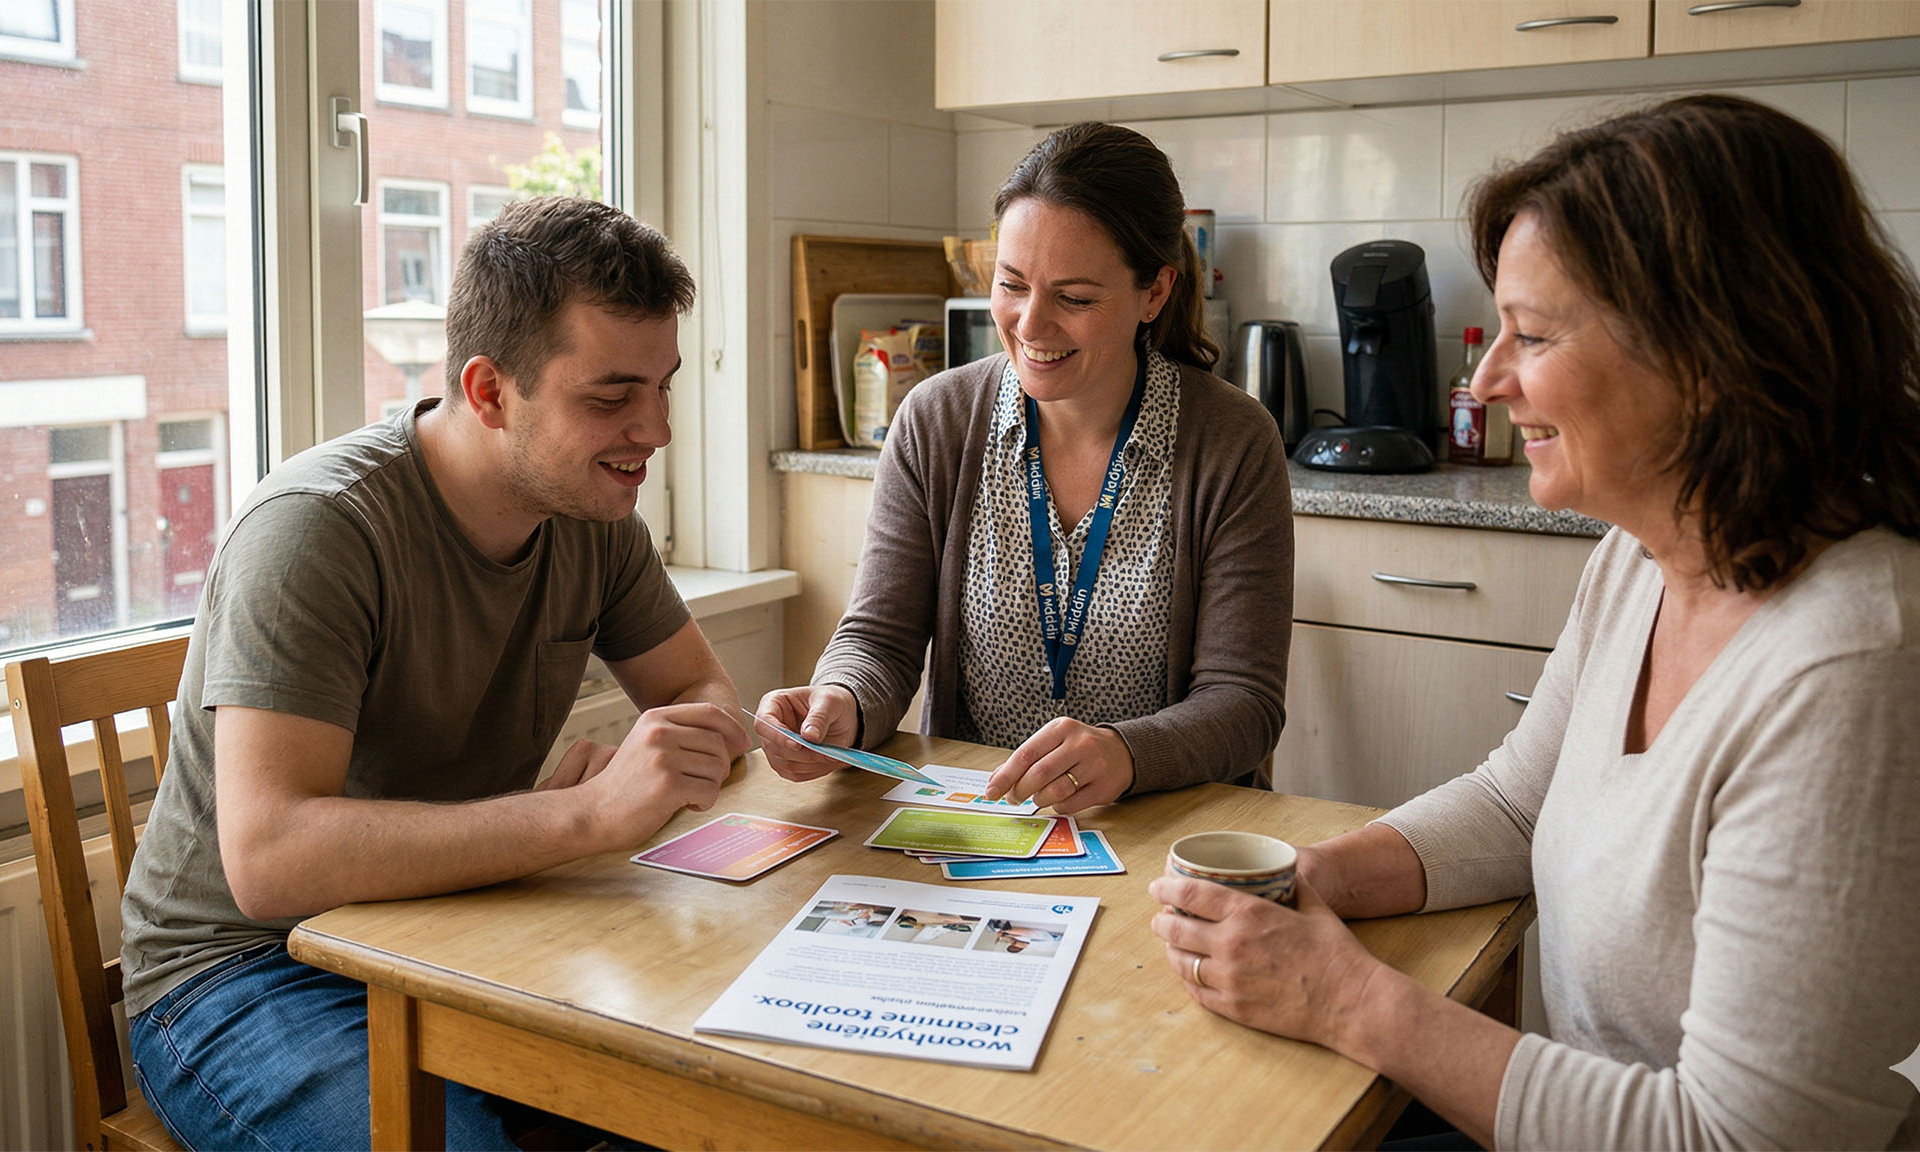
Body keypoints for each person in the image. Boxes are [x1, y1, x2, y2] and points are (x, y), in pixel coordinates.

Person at [1150, 93, 1920, 1149]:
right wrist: (1312, 879)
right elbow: (1520, 805)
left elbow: (1737, 1142)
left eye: (1535, 334)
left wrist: (1345, 998)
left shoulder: (1869, 674)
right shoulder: (1645, 561)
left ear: (1708, 353)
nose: (1487, 379)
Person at [120, 196, 750, 1151]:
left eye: (663, 387)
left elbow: (702, 696)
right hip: (246, 973)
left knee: (719, 1105)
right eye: (611, 396)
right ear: (491, 391)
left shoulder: (593, 516)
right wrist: (581, 816)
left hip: (456, 930)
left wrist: (649, 756)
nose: (654, 431)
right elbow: (270, 859)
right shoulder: (317, 531)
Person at [758, 122, 1292, 814]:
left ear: (1154, 292)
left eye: (1074, 298)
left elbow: (1244, 704)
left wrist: (1127, 754)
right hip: (978, 823)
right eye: (1011, 285)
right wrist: (842, 700)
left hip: (1166, 828)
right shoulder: (936, 422)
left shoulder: (1232, 441)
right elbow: (879, 639)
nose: (1031, 326)